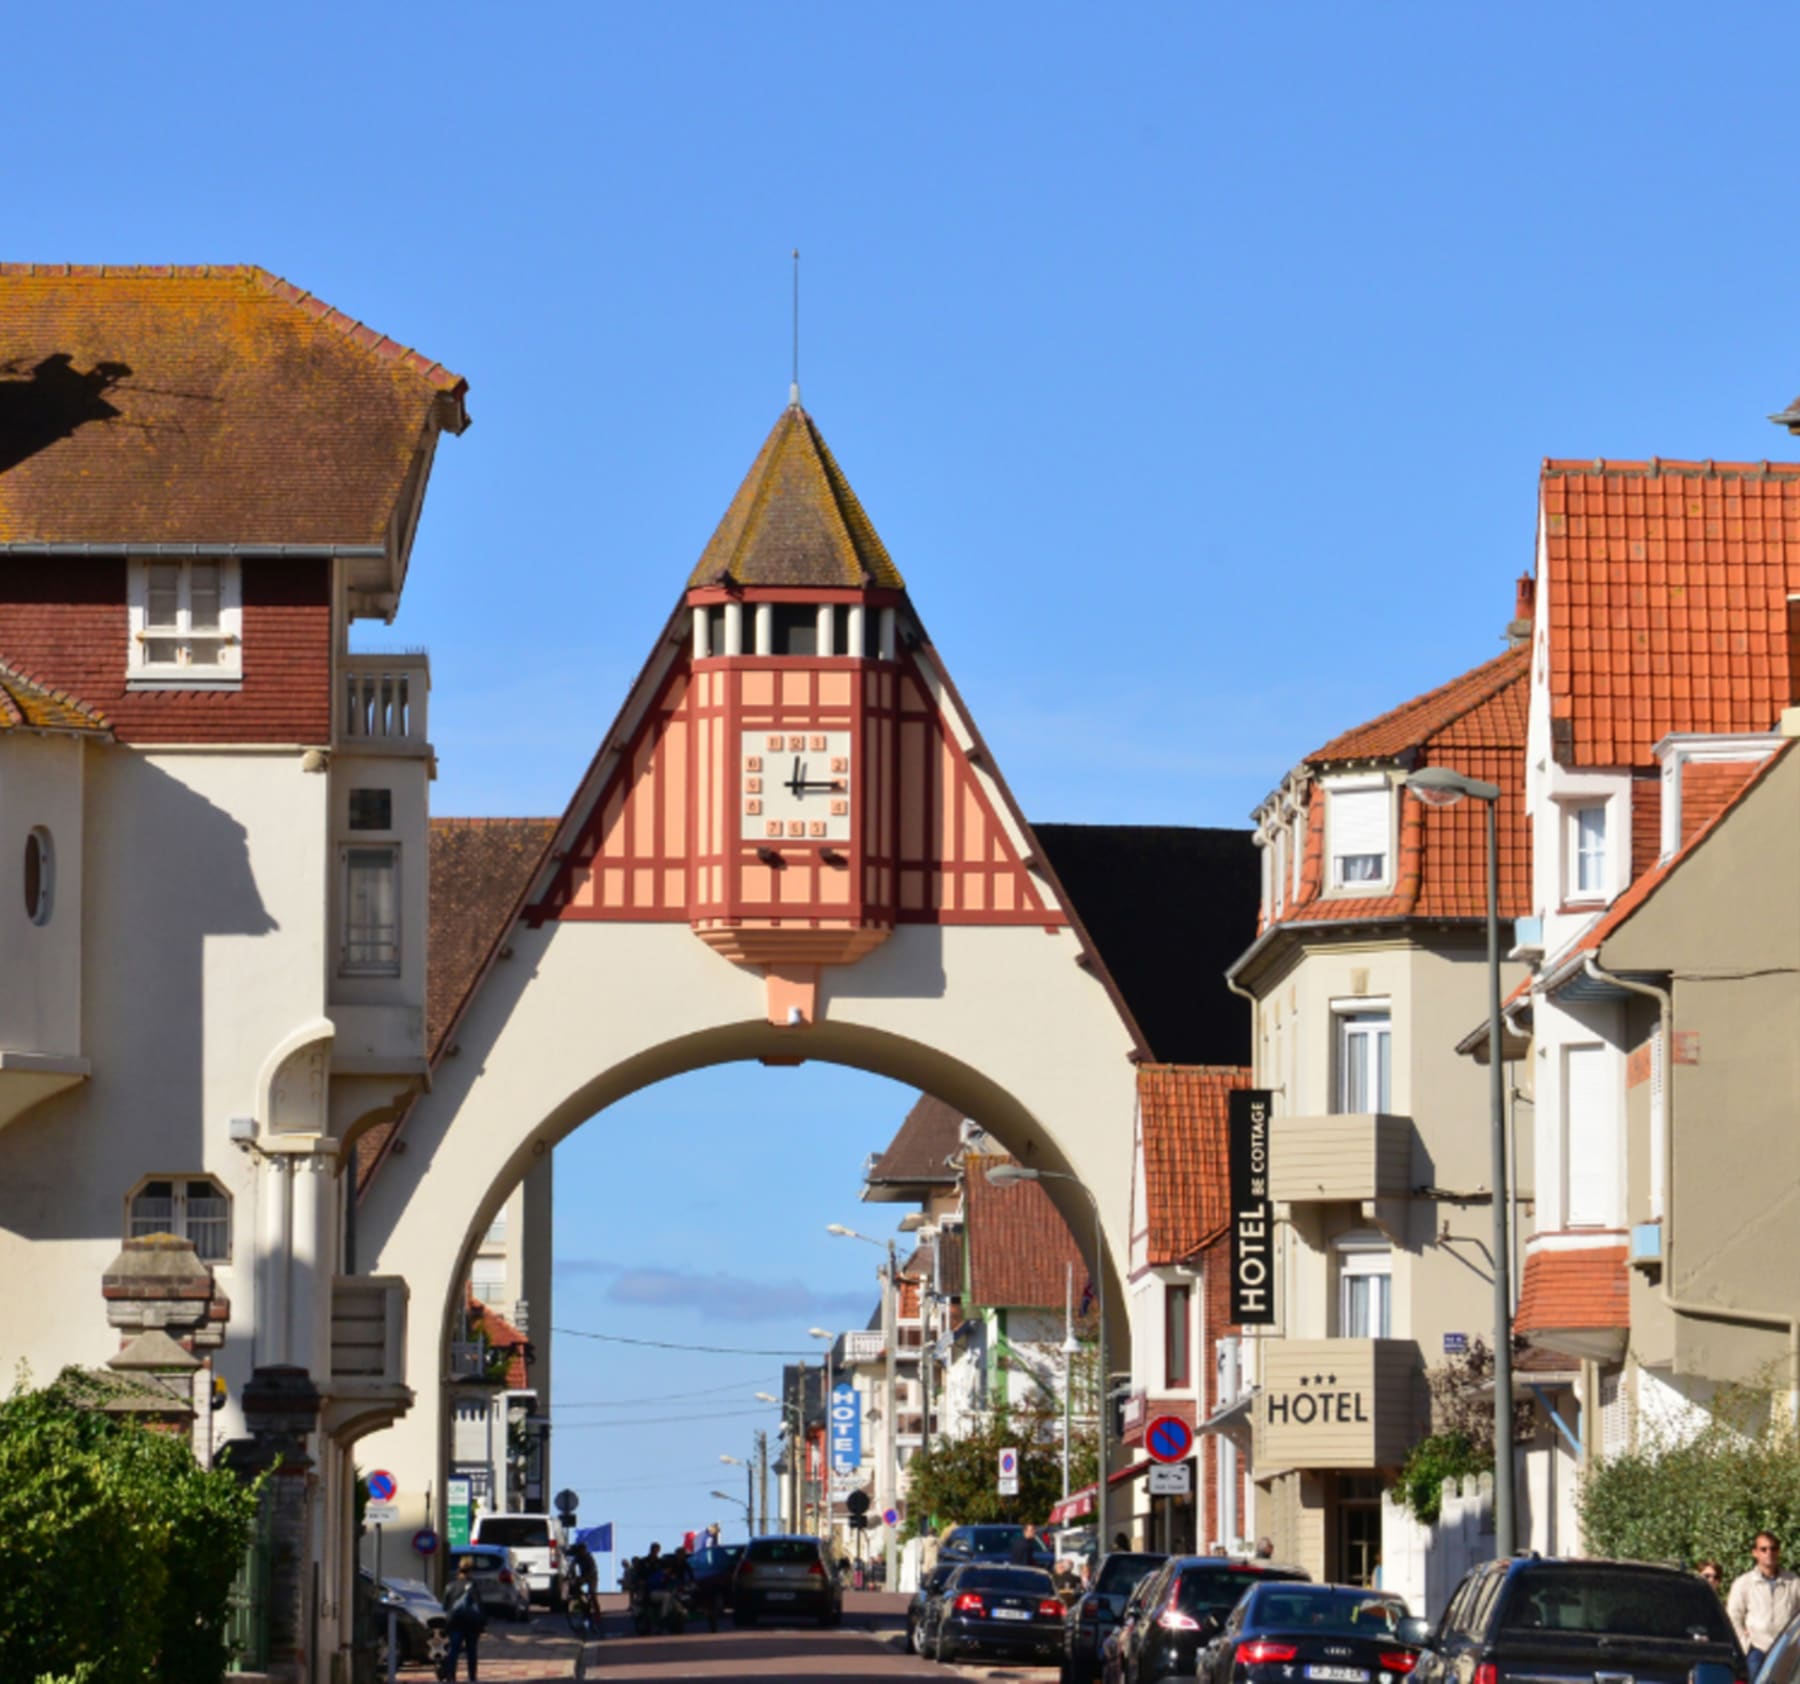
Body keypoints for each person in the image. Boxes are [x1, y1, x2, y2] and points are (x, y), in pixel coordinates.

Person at [1728, 1532, 1800, 1677]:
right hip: (1757, 1649)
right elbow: (1733, 1616)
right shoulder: (1744, 1583)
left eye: (1773, 1549)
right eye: (1764, 1549)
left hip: (1786, 1652)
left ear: (1779, 1551)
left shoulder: (1793, 1582)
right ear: (1755, 1553)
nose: (1769, 1553)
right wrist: (1745, 1645)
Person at [441, 1558, 487, 1682]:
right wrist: (482, 1623)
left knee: (454, 1650)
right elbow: (479, 1606)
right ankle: (472, 1677)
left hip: (455, 1622)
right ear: (471, 1570)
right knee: (472, 1651)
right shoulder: (473, 1586)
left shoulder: (450, 1586)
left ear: (458, 1570)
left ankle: (451, 1676)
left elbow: (444, 1607)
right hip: (471, 1623)